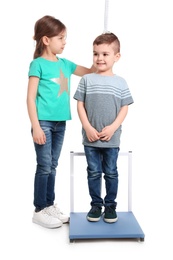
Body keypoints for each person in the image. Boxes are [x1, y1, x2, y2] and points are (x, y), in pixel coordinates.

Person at [26, 15, 95, 229]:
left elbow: (89, 72)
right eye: (61, 38)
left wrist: (100, 56)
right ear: (46, 40)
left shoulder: (66, 64)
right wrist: (36, 126)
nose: (64, 42)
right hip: (44, 122)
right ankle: (39, 209)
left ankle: (49, 205)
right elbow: (30, 97)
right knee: (44, 165)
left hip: (60, 123)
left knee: (53, 165)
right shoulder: (37, 64)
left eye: (65, 38)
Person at [73, 32, 134, 223]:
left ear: (117, 57)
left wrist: (113, 128)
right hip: (90, 138)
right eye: (96, 53)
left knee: (111, 172)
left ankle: (110, 206)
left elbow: (124, 108)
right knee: (93, 172)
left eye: (105, 54)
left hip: (111, 139)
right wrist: (88, 127)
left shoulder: (121, 82)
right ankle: (95, 205)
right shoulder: (87, 80)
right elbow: (80, 104)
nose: (99, 58)